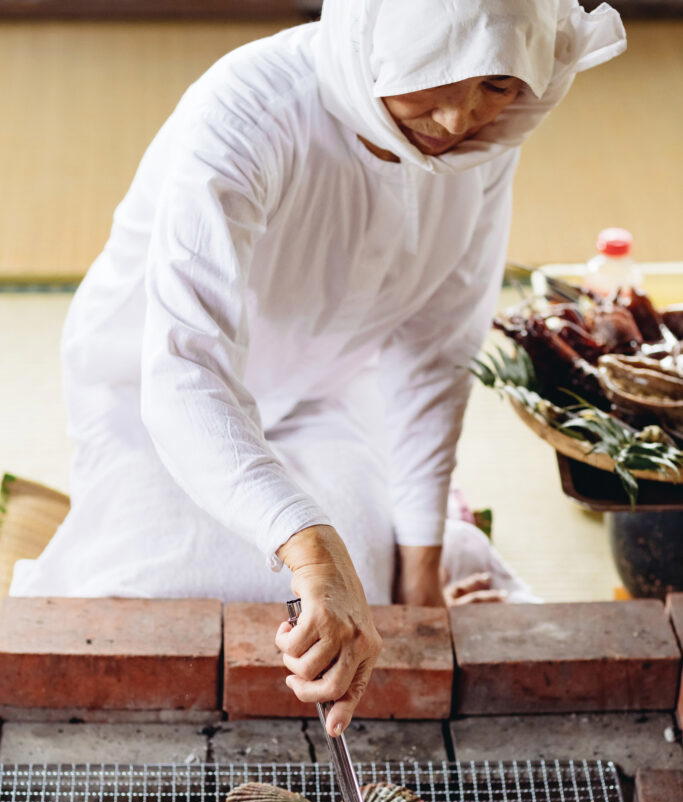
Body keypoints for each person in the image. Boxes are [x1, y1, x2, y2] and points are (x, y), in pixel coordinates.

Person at [11, 0, 625, 734]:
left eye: (496, 84)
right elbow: (184, 368)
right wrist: (305, 540)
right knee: (150, 599)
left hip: (329, 385)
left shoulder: (484, 142)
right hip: (156, 393)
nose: (459, 121)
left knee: (371, 595)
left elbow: (434, 351)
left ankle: (424, 546)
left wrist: (420, 578)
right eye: (438, 78)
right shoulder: (244, 110)